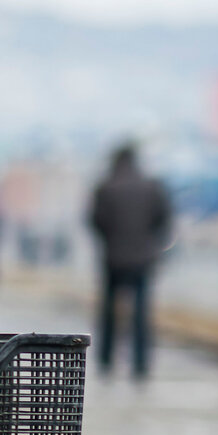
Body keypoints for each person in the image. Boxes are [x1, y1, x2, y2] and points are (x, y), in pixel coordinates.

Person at [88, 143, 171, 378]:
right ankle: (140, 364)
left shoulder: (105, 187)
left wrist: (110, 240)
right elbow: (163, 218)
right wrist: (150, 242)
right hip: (143, 258)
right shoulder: (151, 187)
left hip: (113, 258)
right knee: (141, 312)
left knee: (109, 312)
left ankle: (106, 361)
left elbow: (95, 221)